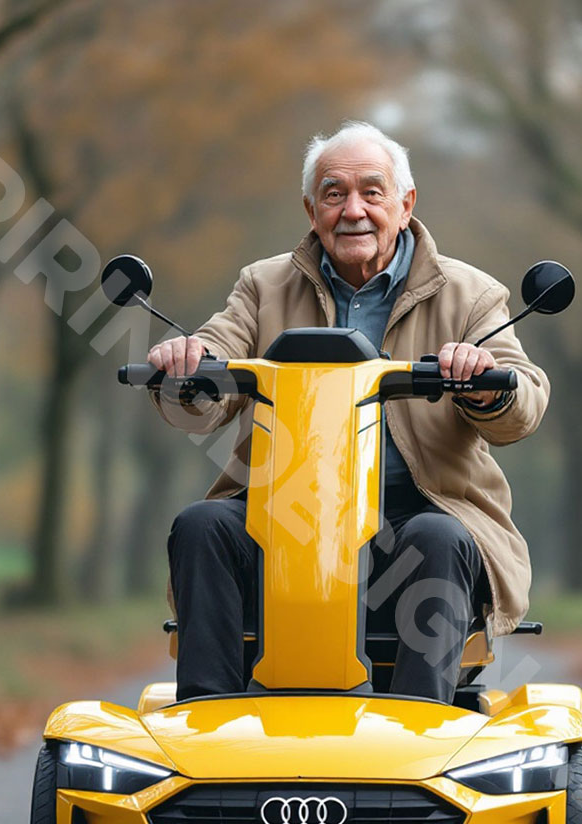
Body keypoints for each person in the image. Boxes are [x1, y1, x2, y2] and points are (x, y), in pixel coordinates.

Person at [147, 121, 549, 704]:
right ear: (311, 210)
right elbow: (218, 352)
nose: (352, 210)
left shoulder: (471, 294)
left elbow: (526, 398)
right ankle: (209, 727)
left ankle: (419, 734)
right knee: (201, 525)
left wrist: (484, 382)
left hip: (418, 512)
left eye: (372, 191)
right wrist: (191, 363)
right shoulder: (262, 286)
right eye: (334, 194)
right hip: (284, 515)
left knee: (440, 536)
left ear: (406, 204)